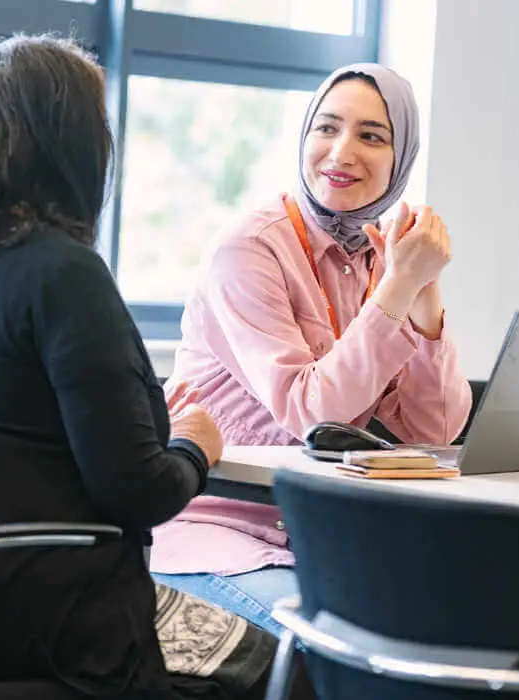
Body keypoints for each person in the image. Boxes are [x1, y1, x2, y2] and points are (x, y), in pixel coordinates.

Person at [0, 34, 315, 700]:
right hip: (60, 620)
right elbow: (140, 492)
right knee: (295, 670)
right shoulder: (63, 274)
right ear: (75, 147)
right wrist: (196, 446)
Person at [152, 63, 472, 636]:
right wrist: (397, 290)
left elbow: (437, 430)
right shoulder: (249, 248)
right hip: (222, 532)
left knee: (465, 618)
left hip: (323, 535)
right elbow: (311, 417)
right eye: (325, 128)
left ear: (400, 161)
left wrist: (425, 301)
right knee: (339, 640)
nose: (340, 151)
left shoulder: (382, 254)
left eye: (371, 136)